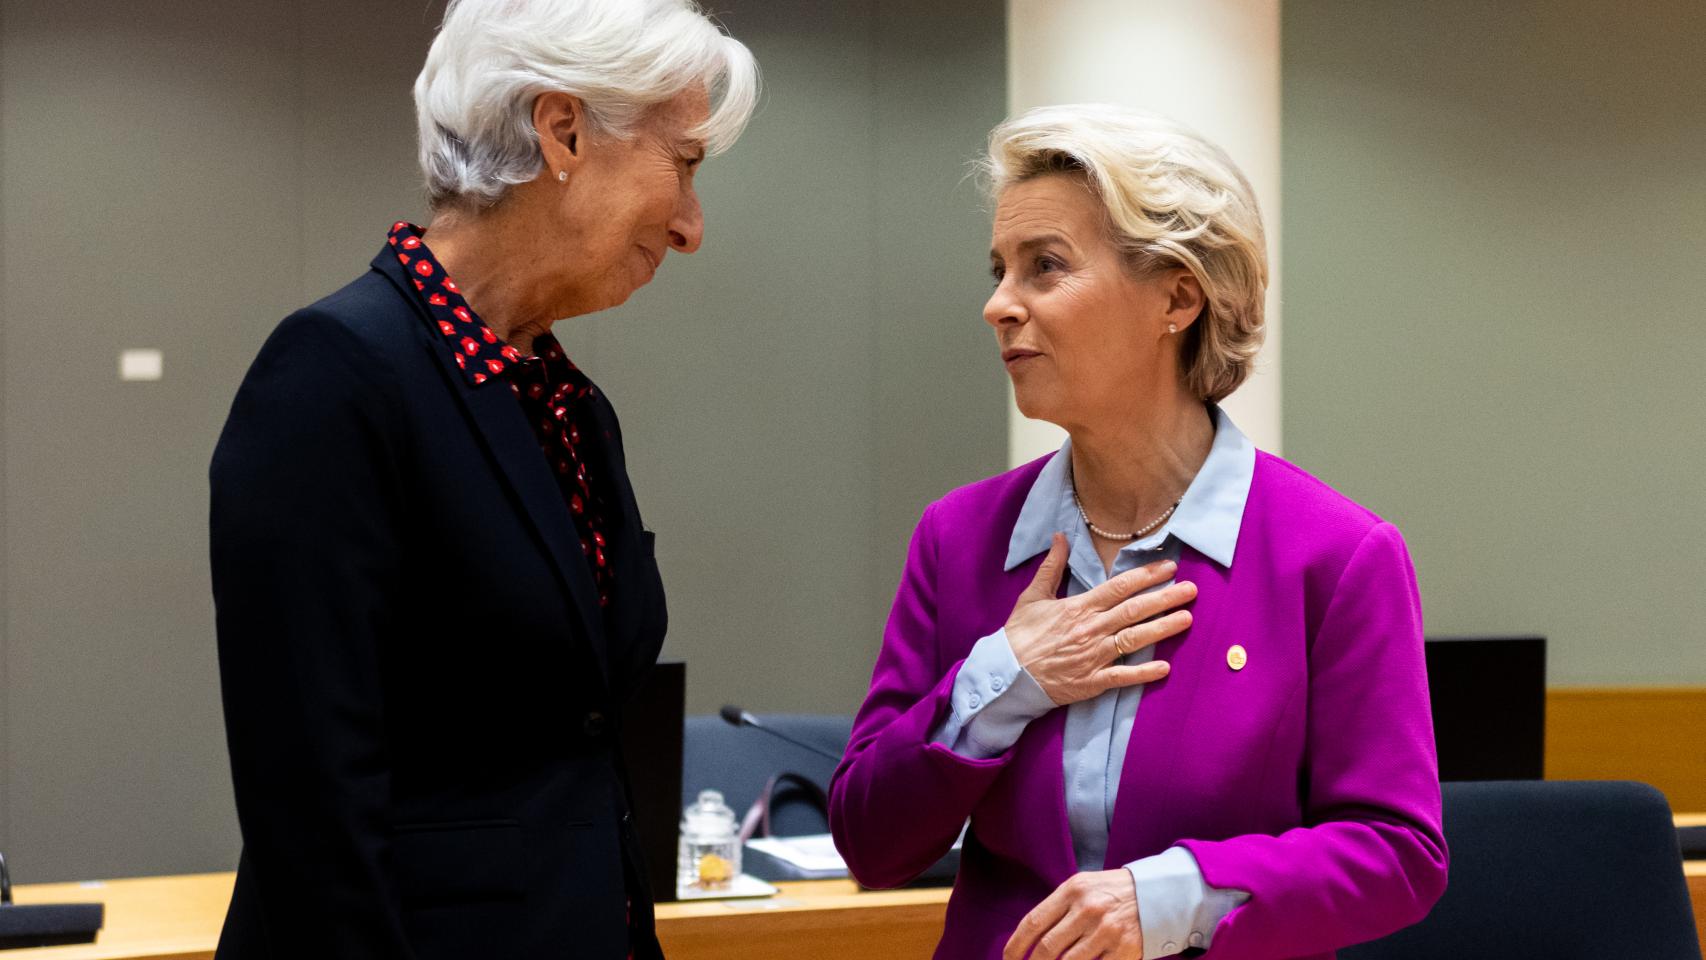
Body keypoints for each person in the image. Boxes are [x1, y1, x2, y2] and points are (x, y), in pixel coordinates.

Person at [829, 104, 1447, 960]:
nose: (998, 305)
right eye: (1000, 270)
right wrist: (1006, 678)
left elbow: (1397, 854)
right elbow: (870, 841)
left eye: (1045, 266)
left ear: (1177, 297)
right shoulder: (958, 538)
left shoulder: (1337, 557)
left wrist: (1170, 898)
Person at [208, 2, 756, 957]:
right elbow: (313, 814)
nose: (690, 226)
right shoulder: (333, 375)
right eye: (684, 164)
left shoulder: (569, 406)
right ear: (563, 131)